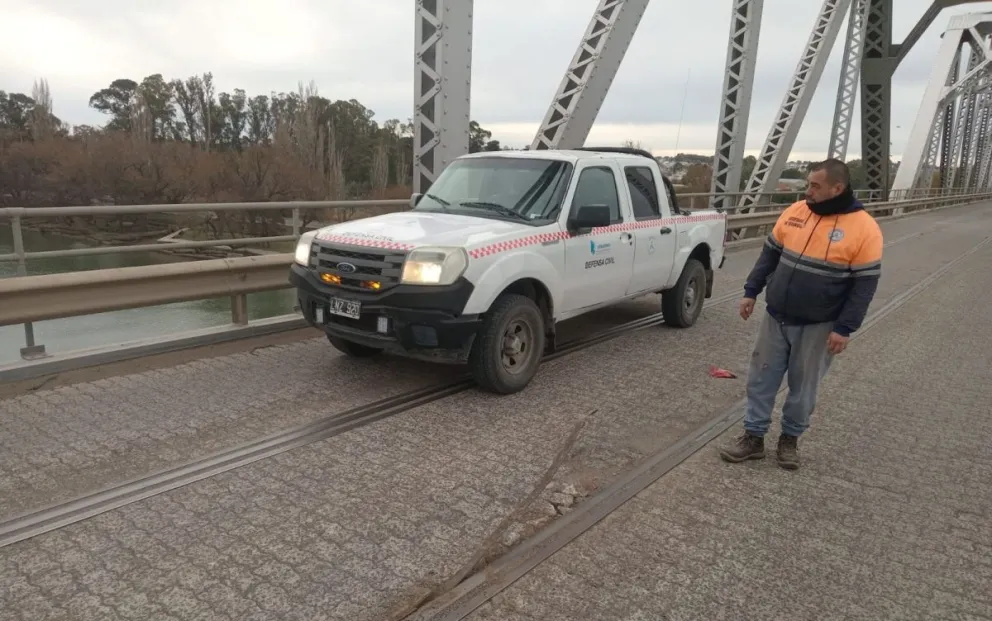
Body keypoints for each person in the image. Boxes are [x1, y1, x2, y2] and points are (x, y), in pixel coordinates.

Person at [719, 159, 883, 470]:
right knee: (761, 378)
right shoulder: (795, 213)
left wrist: (845, 328)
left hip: (819, 325)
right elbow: (769, 255)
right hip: (776, 316)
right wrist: (750, 291)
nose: (807, 191)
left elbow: (864, 286)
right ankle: (753, 438)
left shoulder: (864, 229)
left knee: (803, 387)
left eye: (815, 186)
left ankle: (789, 440)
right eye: (808, 184)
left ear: (837, 188)